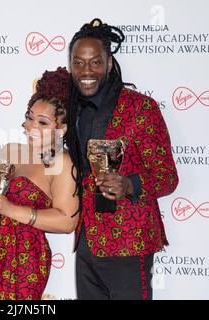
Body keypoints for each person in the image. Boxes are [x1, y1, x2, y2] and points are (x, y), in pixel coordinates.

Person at [66, 18, 179, 300]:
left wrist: (129, 184)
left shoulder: (140, 107)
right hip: (87, 242)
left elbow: (167, 177)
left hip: (129, 242)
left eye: (95, 62)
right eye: (78, 62)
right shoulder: (72, 109)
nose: (86, 71)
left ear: (109, 63)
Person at [0, 67, 81, 300]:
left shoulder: (63, 162)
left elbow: (67, 221)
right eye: (29, 117)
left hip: (23, 261)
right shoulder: (10, 150)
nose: (31, 126)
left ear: (62, 129)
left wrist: (10, 210)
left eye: (43, 122)